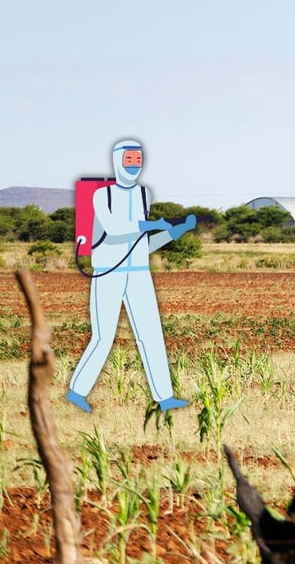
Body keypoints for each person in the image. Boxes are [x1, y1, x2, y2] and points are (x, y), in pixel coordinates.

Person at [67, 139, 196, 413]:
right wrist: (150, 224)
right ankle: (77, 391)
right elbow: (114, 228)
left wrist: (173, 233)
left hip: (139, 273)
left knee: (152, 334)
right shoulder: (102, 195)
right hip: (108, 273)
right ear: (118, 161)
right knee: (103, 336)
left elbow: (141, 244)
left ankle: (165, 397)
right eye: (130, 159)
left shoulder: (144, 194)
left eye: (138, 159)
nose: (134, 165)